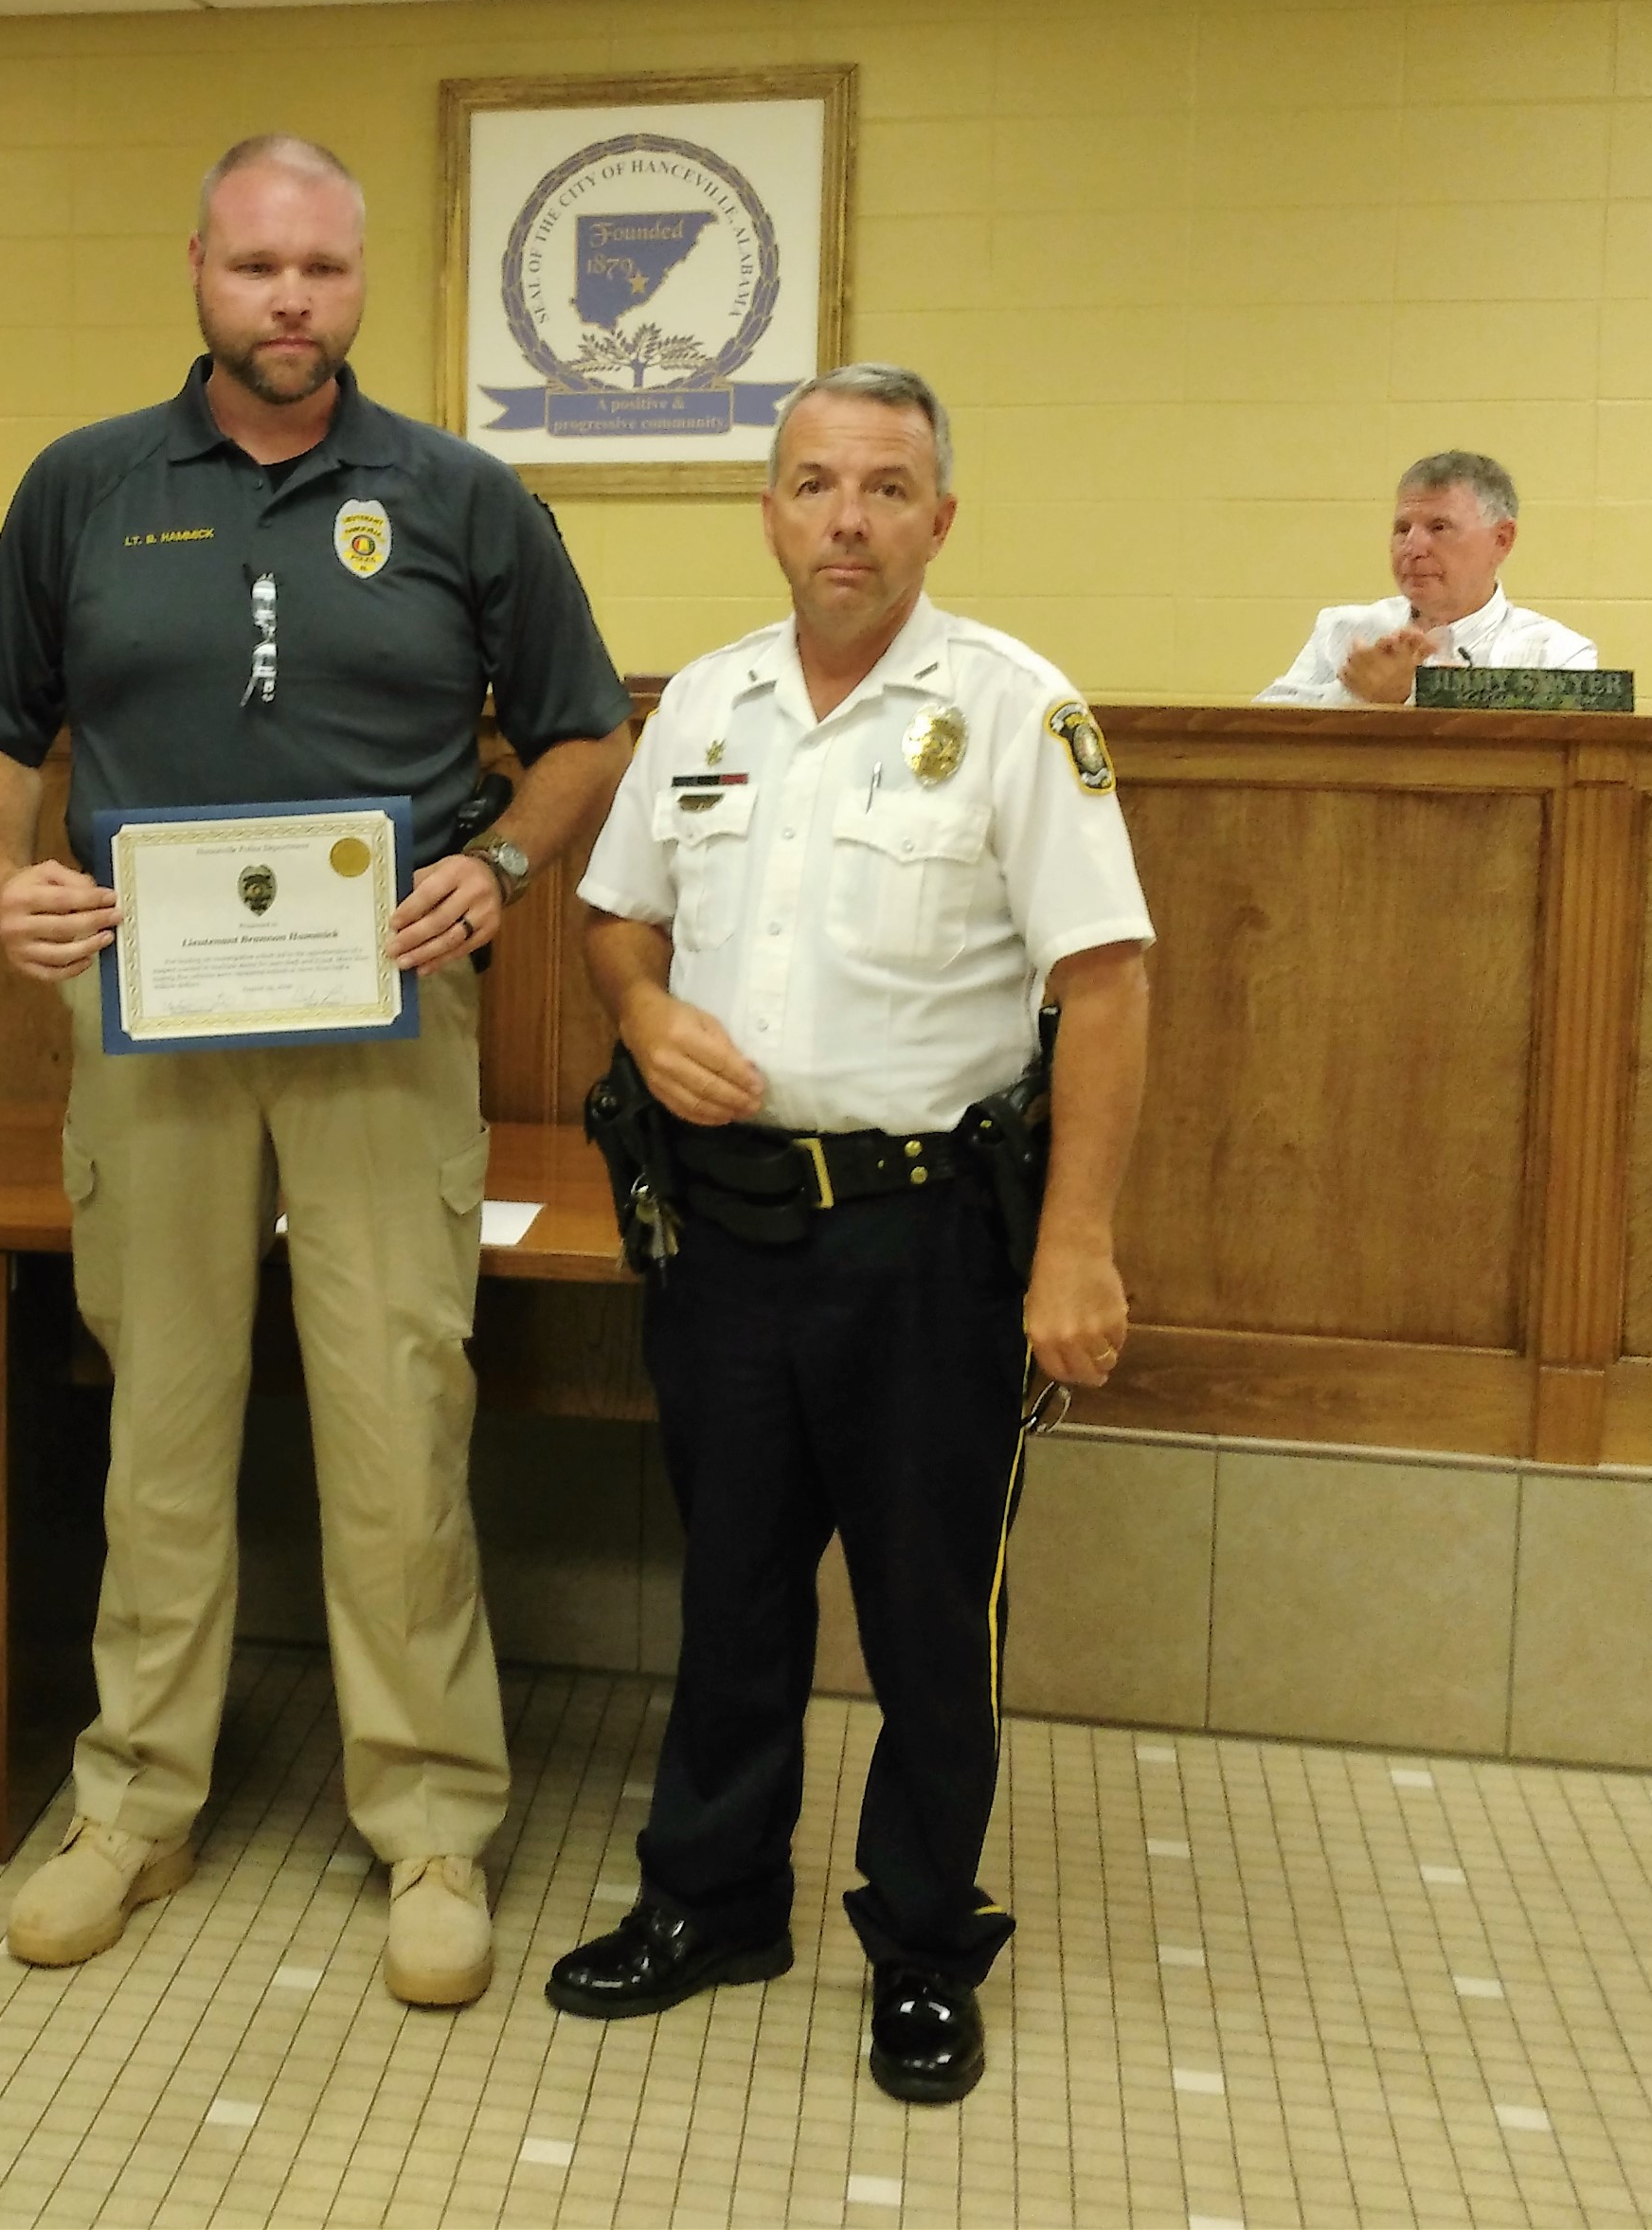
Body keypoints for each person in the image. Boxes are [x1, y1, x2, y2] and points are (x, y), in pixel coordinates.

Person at [0, 134, 633, 2009]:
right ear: (196, 268)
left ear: (356, 282)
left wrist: (490, 864)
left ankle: (426, 1818)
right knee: (159, 1417)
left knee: (392, 1414)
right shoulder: (80, 486)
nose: (287, 300)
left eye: (319, 270)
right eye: (255, 265)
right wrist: (7, 868)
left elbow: (582, 730)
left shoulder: (453, 492)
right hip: (146, 1015)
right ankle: (130, 1798)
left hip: (378, 1013)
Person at [551, 363, 1151, 2109]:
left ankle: (918, 1941)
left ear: (938, 517)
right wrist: (644, 1019)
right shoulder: (709, 704)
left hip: (922, 1246)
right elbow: (612, 923)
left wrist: (1076, 1249)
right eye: (813, 484)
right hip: (725, 1236)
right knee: (728, 1588)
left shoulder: (1014, 711)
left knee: (922, 1616)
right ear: (767, 508)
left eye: (886, 488)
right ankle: (711, 1900)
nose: (846, 520)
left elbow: (1101, 992)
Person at [1255, 452, 1595, 704]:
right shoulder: (1344, 629)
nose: (1412, 547)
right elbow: (1260, 738)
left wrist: (1411, 698)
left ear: (1502, 539)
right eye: (1402, 529)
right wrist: (1352, 694)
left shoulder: (1558, 654)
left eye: (1439, 527)